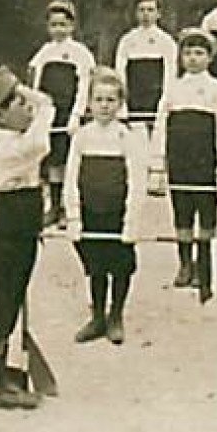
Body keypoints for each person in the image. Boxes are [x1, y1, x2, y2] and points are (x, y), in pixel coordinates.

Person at [0, 67, 55, 410]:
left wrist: (19, 91)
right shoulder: (4, 150)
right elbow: (45, 122)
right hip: (4, 243)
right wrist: (36, 98)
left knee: (12, 306)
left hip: (22, 238)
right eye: (18, 102)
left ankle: (3, 373)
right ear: (0, 115)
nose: (27, 105)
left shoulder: (14, 138)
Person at [152, 28, 217, 301]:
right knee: (182, 211)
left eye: (199, 53)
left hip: (205, 161)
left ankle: (204, 265)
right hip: (180, 160)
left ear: (209, 58)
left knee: (207, 212)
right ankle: (185, 263)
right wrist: (158, 163)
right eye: (187, 52)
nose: (193, 58)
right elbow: (161, 126)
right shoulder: (173, 89)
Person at [63, 68, 148, 345]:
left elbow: (137, 181)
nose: (104, 106)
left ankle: (116, 315)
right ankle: (98, 316)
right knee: (96, 264)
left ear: (120, 103)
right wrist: (74, 217)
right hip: (90, 211)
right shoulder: (82, 136)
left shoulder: (127, 137)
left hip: (117, 212)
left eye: (110, 100)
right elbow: (71, 179)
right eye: (98, 99)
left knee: (120, 264)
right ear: (89, 103)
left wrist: (131, 222)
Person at [28, 0, 95, 226]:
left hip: (69, 114)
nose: (58, 29)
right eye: (54, 25)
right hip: (49, 115)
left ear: (72, 26)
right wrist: (36, 113)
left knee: (69, 161)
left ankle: (70, 208)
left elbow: (84, 86)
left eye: (63, 25)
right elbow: (35, 86)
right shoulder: (44, 53)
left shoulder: (80, 53)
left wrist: (76, 115)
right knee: (53, 161)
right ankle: (54, 206)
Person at [113, 0, 178, 129]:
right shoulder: (127, 40)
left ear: (158, 13)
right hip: (134, 98)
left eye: (150, 9)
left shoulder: (166, 41)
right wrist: (122, 101)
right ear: (136, 13)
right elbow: (120, 73)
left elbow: (170, 74)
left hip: (157, 98)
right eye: (142, 10)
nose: (146, 14)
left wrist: (165, 99)